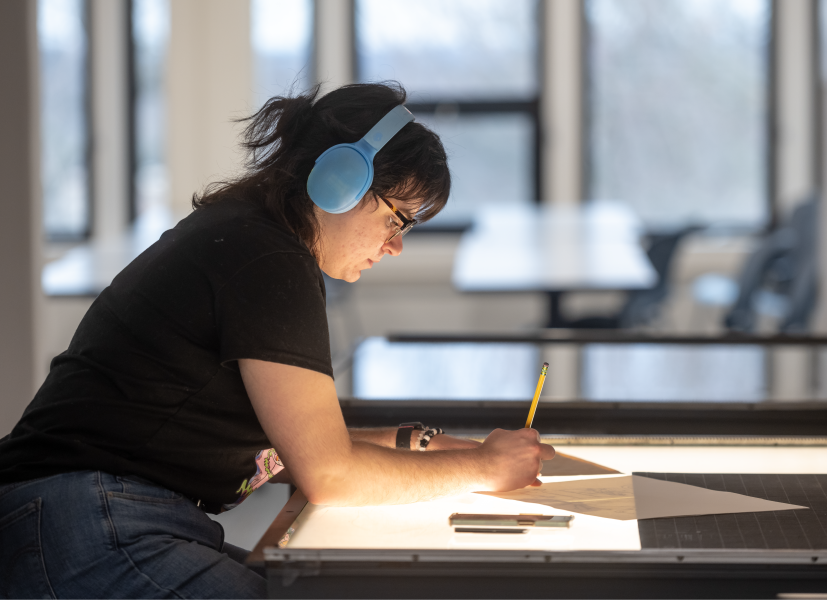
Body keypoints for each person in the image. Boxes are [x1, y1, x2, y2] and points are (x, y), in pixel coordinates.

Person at [0, 82, 554, 600]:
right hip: (82, 525)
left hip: (80, 518)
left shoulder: (248, 234)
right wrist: (483, 468)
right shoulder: (269, 260)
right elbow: (329, 474)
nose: (395, 247)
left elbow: (297, 447)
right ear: (343, 179)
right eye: (399, 219)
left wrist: (424, 446)